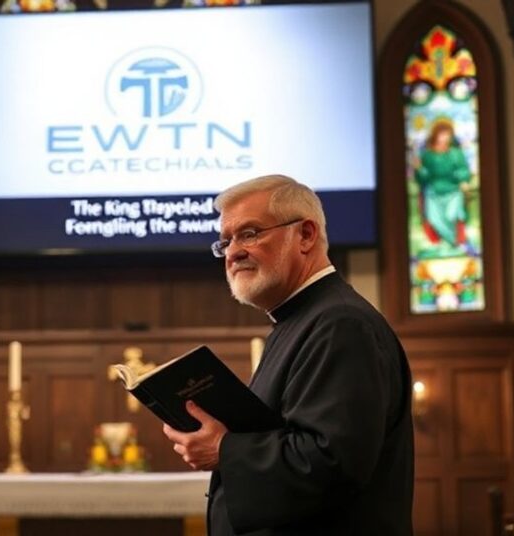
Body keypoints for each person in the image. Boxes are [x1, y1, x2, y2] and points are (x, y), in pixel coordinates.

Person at [163, 175, 413, 535]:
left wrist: (223, 449)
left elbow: (332, 461)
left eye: (249, 233)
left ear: (306, 235)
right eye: (225, 242)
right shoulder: (301, 320)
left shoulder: (340, 324)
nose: (233, 252)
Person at [413, 119, 472, 251]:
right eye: (442, 134)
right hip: (434, 193)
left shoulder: (455, 154)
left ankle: (456, 243)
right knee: (434, 219)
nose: (445, 137)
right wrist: (419, 169)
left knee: (452, 215)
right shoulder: (428, 155)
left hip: (453, 192)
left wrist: (462, 180)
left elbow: (463, 170)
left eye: (448, 134)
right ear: (435, 135)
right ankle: (442, 243)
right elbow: (424, 177)